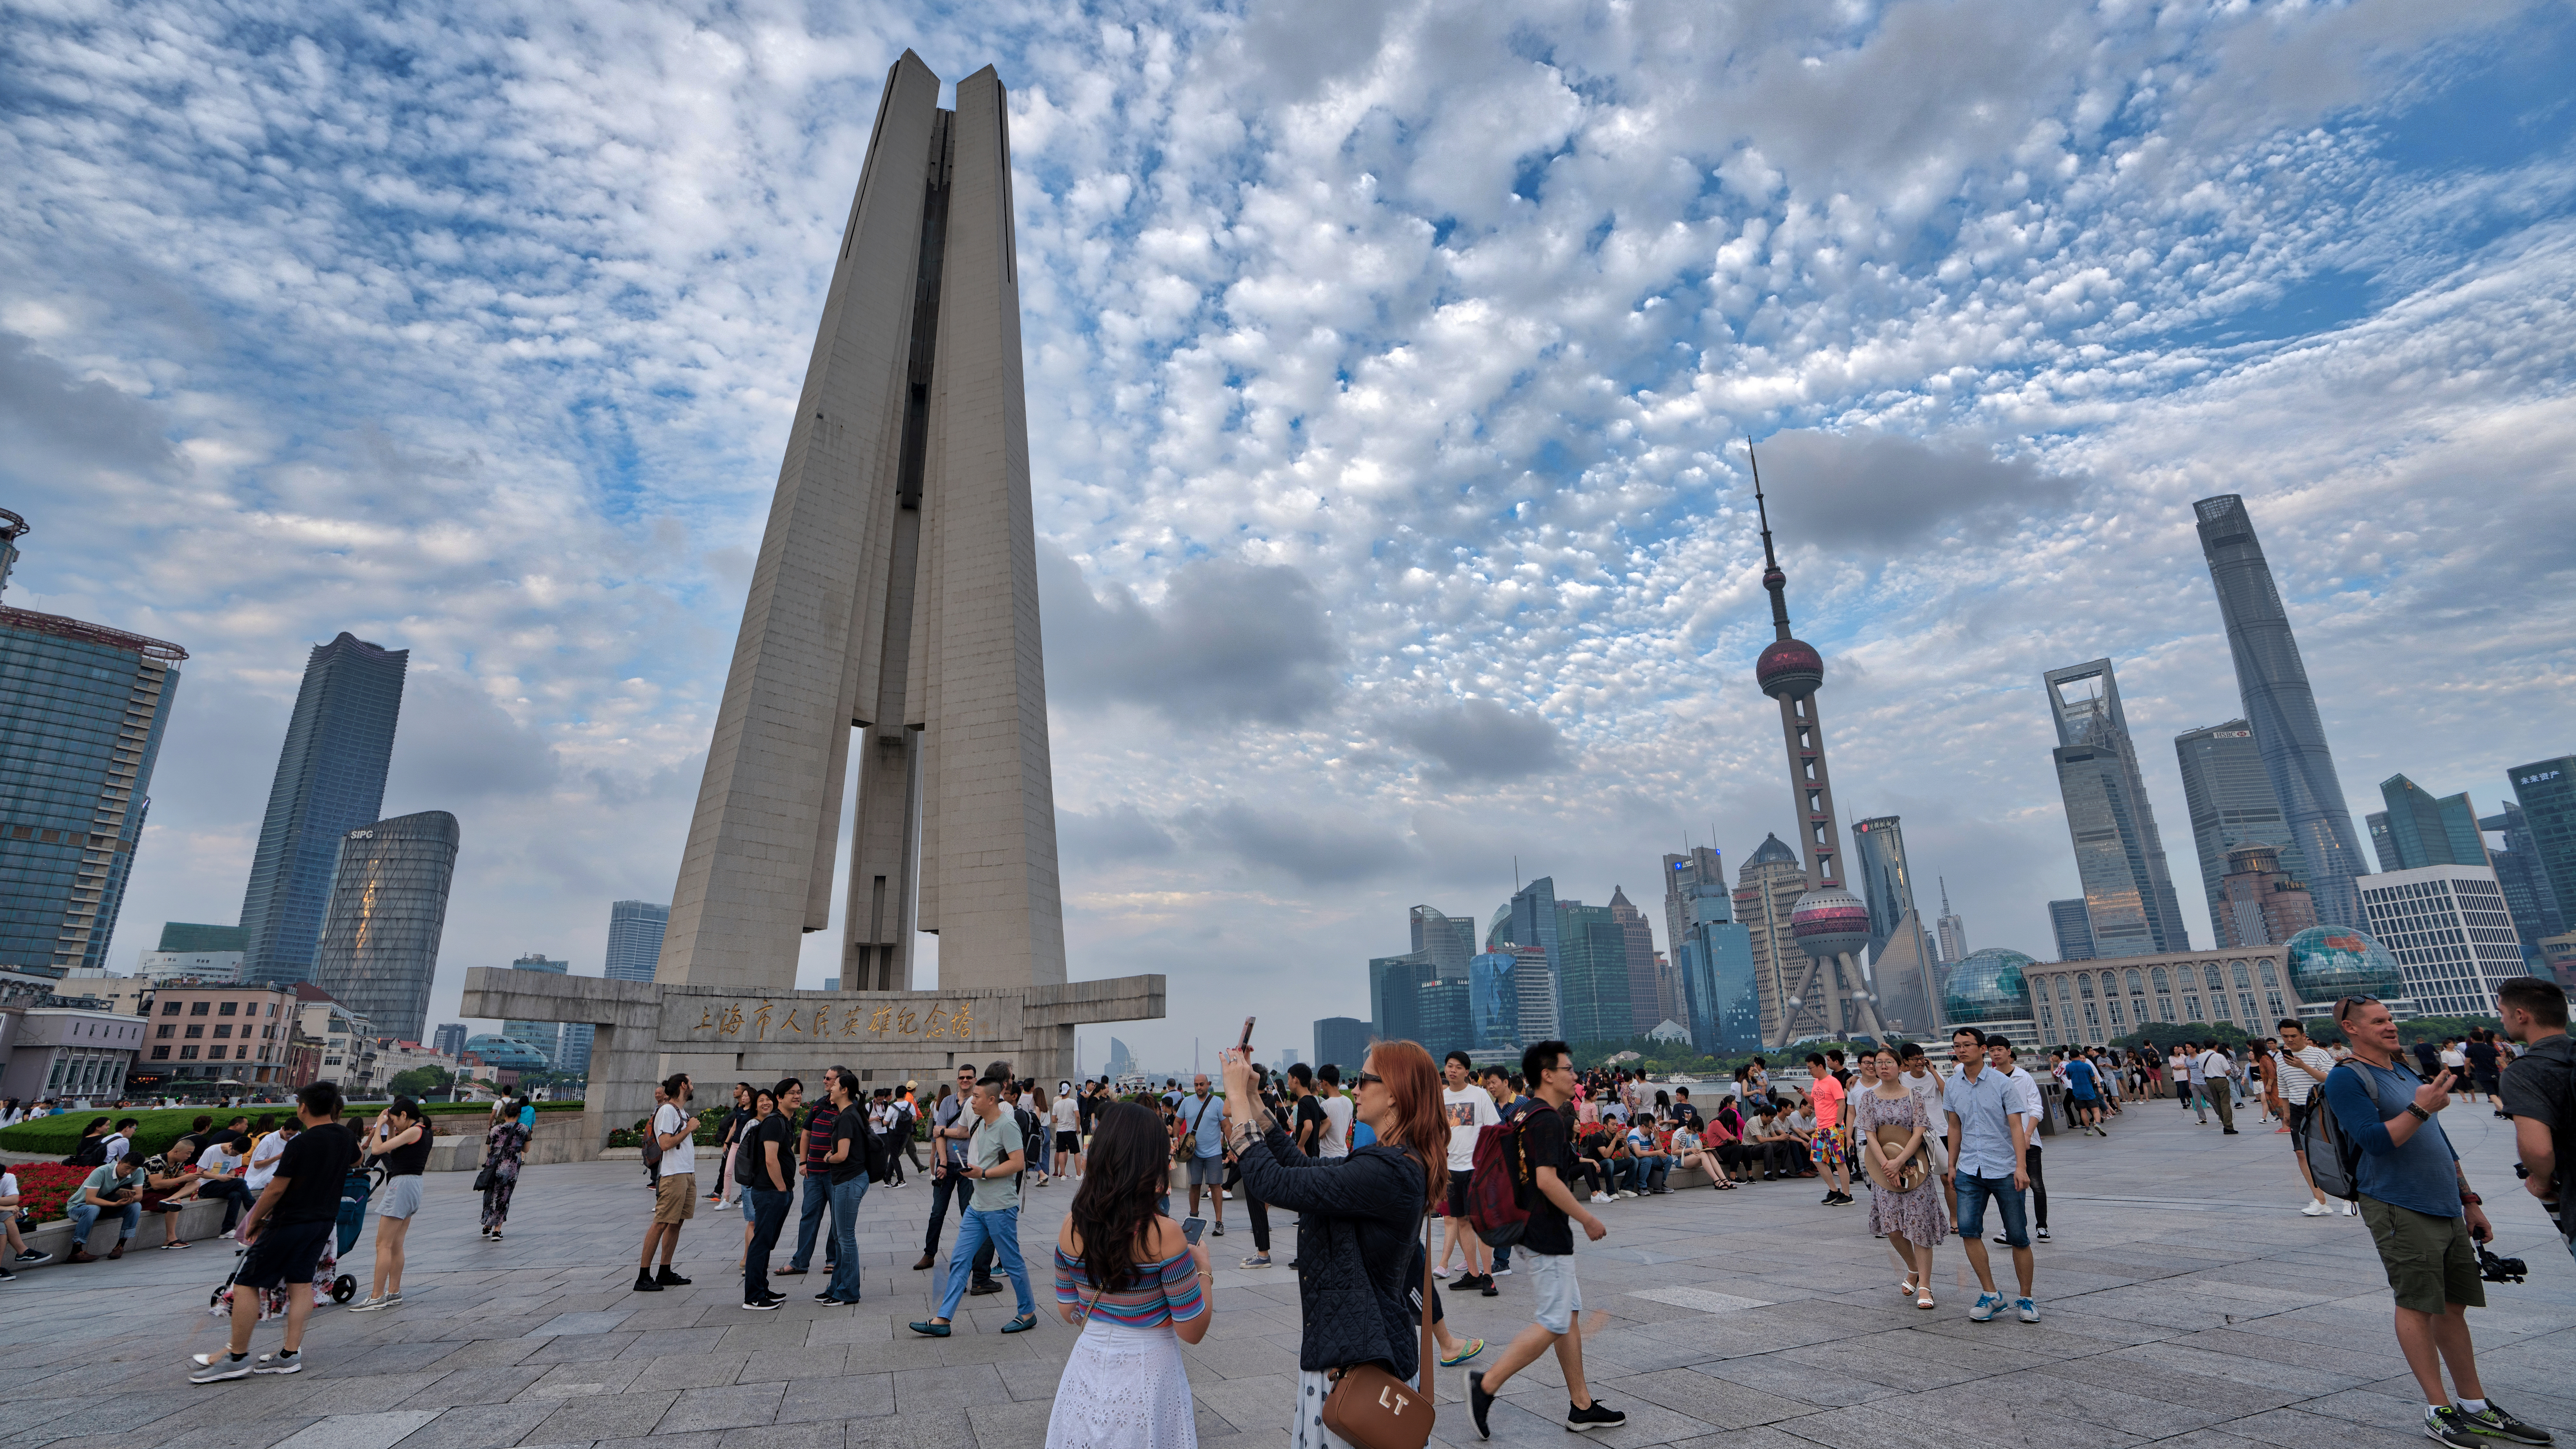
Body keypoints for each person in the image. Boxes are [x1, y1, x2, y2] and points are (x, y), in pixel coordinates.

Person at [2322, 996, 2547, 1447]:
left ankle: (2476, 1406)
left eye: (2390, 1019)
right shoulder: (2347, 1079)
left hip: (2444, 1203)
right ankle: (2438, 1410)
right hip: (2397, 1204)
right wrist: (2422, 1107)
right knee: (2417, 1303)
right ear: (2351, 1028)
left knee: (2452, 1306)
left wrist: (2469, 1199)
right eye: (2379, 1021)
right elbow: (2374, 1142)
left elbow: (2437, 1138)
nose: (2390, 1027)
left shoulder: (2403, 1071)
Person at [1466, 1040, 1625, 1437]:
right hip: (1544, 1231)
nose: (1576, 1075)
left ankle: (1582, 1405)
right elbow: (1546, 1179)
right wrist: (1588, 1218)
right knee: (1554, 1320)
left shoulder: (1523, 1112)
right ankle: (1485, 1387)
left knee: (1567, 1313)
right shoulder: (1547, 1120)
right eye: (1569, 1069)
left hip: (1526, 1224)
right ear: (1548, 1074)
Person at [1044, 1101, 1213, 1447]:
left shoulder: (1071, 1225)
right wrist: (1204, 1270)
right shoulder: (1165, 1234)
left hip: (1086, 1369)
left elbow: (1068, 1311)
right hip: (1147, 1373)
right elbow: (1192, 1330)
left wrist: (1108, 1311)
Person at [187, 1081, 360, 1382]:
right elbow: (358, 1159)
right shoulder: (346, 1137)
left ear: (303, 1107)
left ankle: (236, 1357)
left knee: (246, 1284)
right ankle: (290, 1354)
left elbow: (277, 1188)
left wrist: (254, 1220)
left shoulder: (300, 1143)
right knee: (300, 1285)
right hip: (323, 1223)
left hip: (290, 1221)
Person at [911, 1063, 1039, 1336]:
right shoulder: (979, 1121)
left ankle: (1027, 1312)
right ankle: (943, 1320)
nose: (972, 1100)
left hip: (1000, 1206)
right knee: (960, 1259)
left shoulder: (1008, 1126)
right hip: (977, 1206)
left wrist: (985, 1173)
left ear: (992, 1100)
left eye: (977, 1097)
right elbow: (970, 1144)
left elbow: (1018, 1163)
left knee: (1012, 1260)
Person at [1943, 1027, 2036, 1323]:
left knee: (2019, 1235)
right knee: (1969, 1231)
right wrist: (1952, 1164)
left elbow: (2016, 1128)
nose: (1962, 1050)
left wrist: (2021, 1167)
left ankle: (2027, 1298)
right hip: (1970, 1168)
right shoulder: (1952, 1085)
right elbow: (1954, 1126)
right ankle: (1991, 1295)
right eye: (1957, 1046)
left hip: (2005, 1168)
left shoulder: (2001, 1083)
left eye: (1968, 1045)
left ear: (1983, 1049)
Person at [1860, 1045, 1948, 1308]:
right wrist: (1888, 1165)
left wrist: (1900, 1161)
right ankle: (1913, 1268)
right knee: (1894, 1229)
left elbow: (1920, 1131)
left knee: (1919, 1229)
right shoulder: (1868, 1098)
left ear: (1901, 1067)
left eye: (1889, 1062)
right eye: (1879, 1063)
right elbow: (1870, 1134)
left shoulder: (1914, 1096)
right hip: (1883, 1169)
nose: (1883, 1066)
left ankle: (1925, 1286)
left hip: (1915, 1167)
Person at [2497, 978, 2572, 1267]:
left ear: (2521, 1015)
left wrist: (2540, 1181)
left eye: (2502, 1012)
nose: (2502, 1019)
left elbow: (2539, 1151)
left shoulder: (2525, 1072)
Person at [350, 1097, 433, 1310]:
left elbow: (377, 1150)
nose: (393, 1124)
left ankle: (376, 1296)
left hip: (402, 1185)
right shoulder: (422, 1131)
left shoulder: (415, 1131)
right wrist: (389, 1126)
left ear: (405, 1115)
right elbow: (392, 1150)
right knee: (396, 1244)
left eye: (395, 1120)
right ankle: (394, 1292)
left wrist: (379, 1125)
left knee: (383, 1244)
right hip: (413, 1185)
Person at [2273, 1020, 2345, 1218]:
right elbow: (2284, 1086)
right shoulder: (2281, 1058)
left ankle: (2350, 1197)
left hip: (2321, 1106)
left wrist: (2303, 1066)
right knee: (2301, 1153)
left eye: (2293, 1036)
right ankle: (2320, 1200)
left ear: (2303, 1036)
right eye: (2285, 1037)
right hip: (2297, 1109)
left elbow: (2331, 1079)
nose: (2289, 1040)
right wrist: (2285, 1112)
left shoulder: (2319, 1054)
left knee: (2334, 1151)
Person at [742, 1079, 801, 1310]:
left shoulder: (785, 1122)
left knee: (766, 1243)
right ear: (779, 1097)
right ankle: (754, 1297)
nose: (796, 1097)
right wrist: (781, 1189)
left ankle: (762, 1288)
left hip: (775, 1192)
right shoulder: (775, 1123)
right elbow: (770, 1158)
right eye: (791, 1093)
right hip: (769, 1192)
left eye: (799, 1093)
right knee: (761, 1242)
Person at [636, 1072, 697, 1292]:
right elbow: (665, 1144)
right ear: (683, 1086)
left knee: (677, 1222)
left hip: (686, 1173)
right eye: (691, 1083)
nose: (693, 1086)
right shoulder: (667, 1111)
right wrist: (689, 1128)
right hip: (673, 1175)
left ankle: (665, 1271)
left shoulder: (681, 1111)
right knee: (662, 1222)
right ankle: (643, 1276)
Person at [782, 1065, 845, 1279]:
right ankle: (800, 1262)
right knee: (809, 1216)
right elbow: (806, 1133)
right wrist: (803, 1162)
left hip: (836, 1174)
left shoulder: (848, 1108)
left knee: (837, 1219)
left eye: (830, 1079)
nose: (825, 1081)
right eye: (825, 1078)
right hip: (814, 1173)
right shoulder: (820, 1104)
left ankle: (833, 1259)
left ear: (841, 1083)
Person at [1986, 1038, 2050, 1244]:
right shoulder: (1990, 1078)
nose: (1996, 1054)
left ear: (2009, 1052)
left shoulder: (2024, 1077)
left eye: (2000, 1050)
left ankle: (2042, 1227)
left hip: (2028, 1139)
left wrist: (2028, 1134)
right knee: (2010, 1186)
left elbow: (2036, 1109)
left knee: (2036, 1184)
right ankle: (2011, 1229)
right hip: (2004, 1143)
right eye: (1992, 1051)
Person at [817, 1067, 869, 1304]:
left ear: (845, 1090)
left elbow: (843, 1155)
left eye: (835, 1085)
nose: (831, 1088)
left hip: (849, 1180)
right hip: (845, 1180)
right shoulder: (848, 1113)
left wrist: (828, 1158)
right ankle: (836, 1286)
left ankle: (848, 1291)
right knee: (840, 1237)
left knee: (846, 1237)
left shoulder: (848, 1116)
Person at [66, 1153, 150, 1262]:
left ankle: (120, 1246)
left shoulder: (138, 1172)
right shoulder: (101, 1172)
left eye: (133, 1170)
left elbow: (139, 1196)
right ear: (120, 1163)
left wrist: (130, 1199)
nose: (128, 1172)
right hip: (79, 1208)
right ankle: (76, 1252)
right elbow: (90, 1200)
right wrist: (115, 1205)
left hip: (106, 1207)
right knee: (93, 1208)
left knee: (136, 1206)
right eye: (127, 1168)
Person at [1174, 1074, 1227, 1239]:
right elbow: (1177, 1122)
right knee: (1195, 1185)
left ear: (1208, 1084)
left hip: (1214, 1152)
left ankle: (1219, 1222)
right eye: (1196, 1085)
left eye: (1202, 1085)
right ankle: (1194, 1219)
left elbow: (1226, 1126)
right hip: (1193, 1152)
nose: (1199, 1088)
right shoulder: (1187, 1102)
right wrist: (1176, 1139)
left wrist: (1232, 1146)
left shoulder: (1218, 1102)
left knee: (1216, 1185)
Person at [479, 1096, 530, 1239]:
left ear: (505, 1114)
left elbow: (489, 1148)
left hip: (493, 1165)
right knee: (504, 1196)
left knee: (490, 1194)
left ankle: (487, 1225)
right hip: (511, 1166)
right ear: (519, 1115)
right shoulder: (524, 1129)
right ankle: (497, 1230)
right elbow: (526, 1149)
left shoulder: (495, 1129)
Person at [2062, 1048, 2106, 1136]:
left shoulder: (2069, 1067)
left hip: (2077, 1092)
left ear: (2070, 1057)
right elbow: (2093, 1077)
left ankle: (2088, 1130)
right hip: (2089, 1090)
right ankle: (2098, 1124)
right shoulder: (2086, 1066)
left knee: (2083, 1111)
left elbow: (2069, 1078)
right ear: (2079, 1055)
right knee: (2095, 1109)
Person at [1313, 1065, 1352, 1160]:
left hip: (1328, 1157)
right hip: (1344, 1155)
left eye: (1320, 1083)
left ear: (1325, 1082)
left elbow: (1322, 1136)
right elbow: (1346, 1130)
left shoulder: (1325, 1105)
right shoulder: (1349, 1102)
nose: (1321, 1086)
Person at [1051, 1079, 1084, 1181]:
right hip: (1070, 1130)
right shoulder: (1073, 1102)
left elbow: (1053, 1120)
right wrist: (1078, 1128)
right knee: (1076, 1152)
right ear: (1069, 1091)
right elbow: (1078, 1116)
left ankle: (1063, 1174)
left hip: (1060, 1131)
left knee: (1061, 1151)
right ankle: (1079, 1174)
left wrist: (1060, 1120)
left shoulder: (1057, 1105)